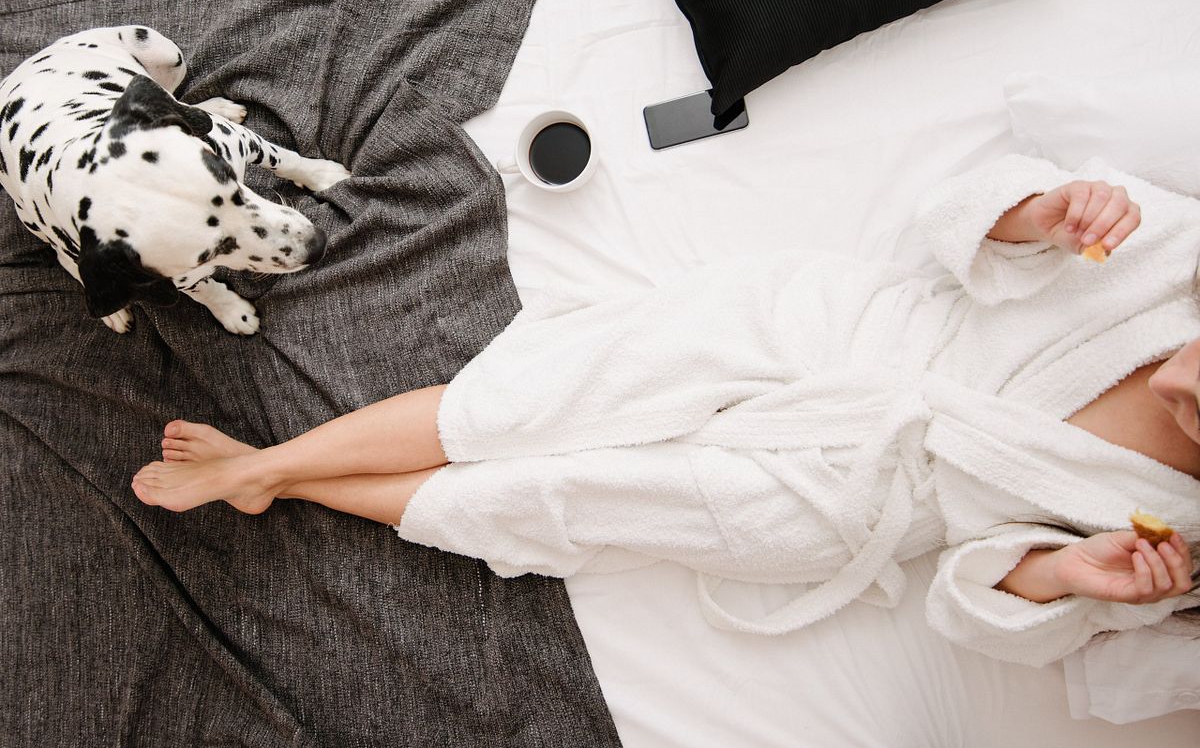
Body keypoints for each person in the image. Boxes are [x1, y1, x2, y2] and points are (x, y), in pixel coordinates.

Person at [131, 154, 1199, 667]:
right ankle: (269, 464)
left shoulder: (1181, 542)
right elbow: (957, 216)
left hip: (854, 497)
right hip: (833, 332)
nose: (1181, 396)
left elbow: (982, 593)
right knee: (529, 402)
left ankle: (271, 473)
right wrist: (1036, 213)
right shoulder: (1176, 246)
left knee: (558, 500)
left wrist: (1062, 576)